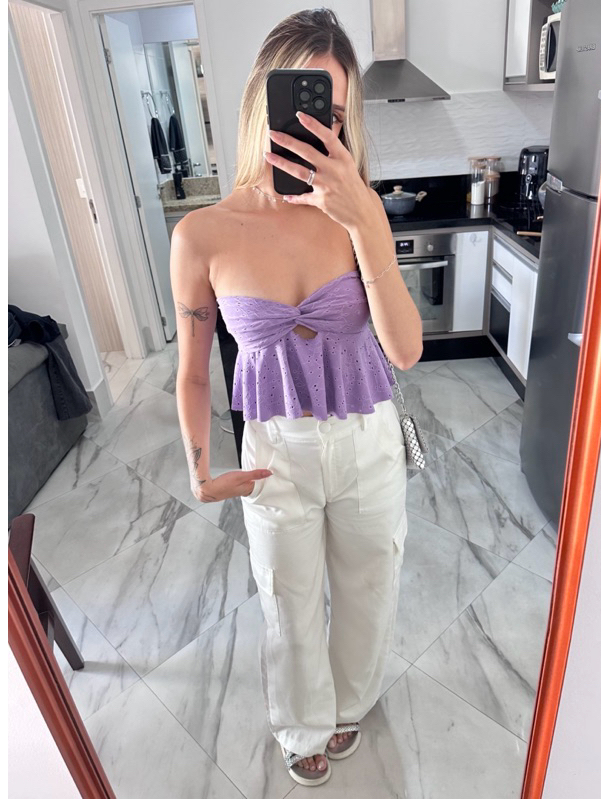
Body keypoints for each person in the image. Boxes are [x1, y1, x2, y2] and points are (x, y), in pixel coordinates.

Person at [170, 8, 422, 787]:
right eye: (302, 105)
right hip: (273, 453)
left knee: (369, 589)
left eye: (332, 115)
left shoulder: (356, 213)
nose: (316, 129)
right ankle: (301, 722)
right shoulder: (202, 234)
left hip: (367, 438)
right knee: (286, 600)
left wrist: (367, 224)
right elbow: (192, 369)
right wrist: (197, 466)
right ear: (261, 101)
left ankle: (348, 704)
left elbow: (405, 349)